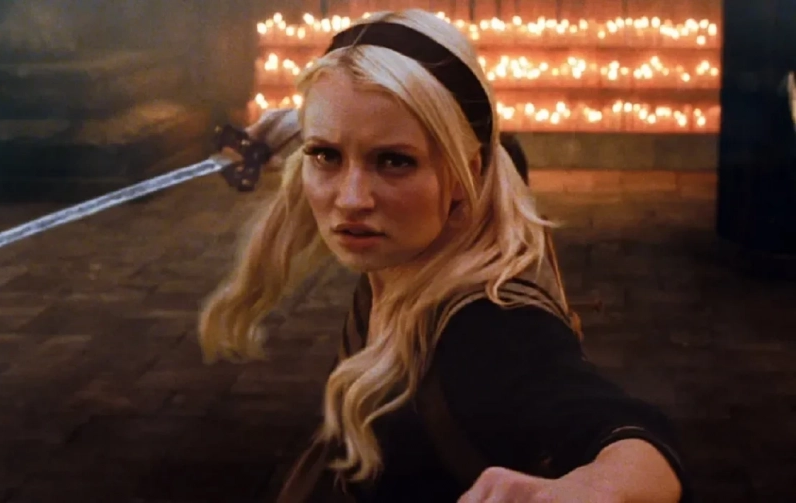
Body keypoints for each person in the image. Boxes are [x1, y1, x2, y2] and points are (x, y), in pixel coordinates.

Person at [199, 9, 691, 503]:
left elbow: (632, 439)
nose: (351, 199)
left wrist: (597, 486)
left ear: (466, 173)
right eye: (326, 154)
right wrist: (306, 125)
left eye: (394, 161)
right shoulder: (415, 239)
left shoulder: (491, 329)